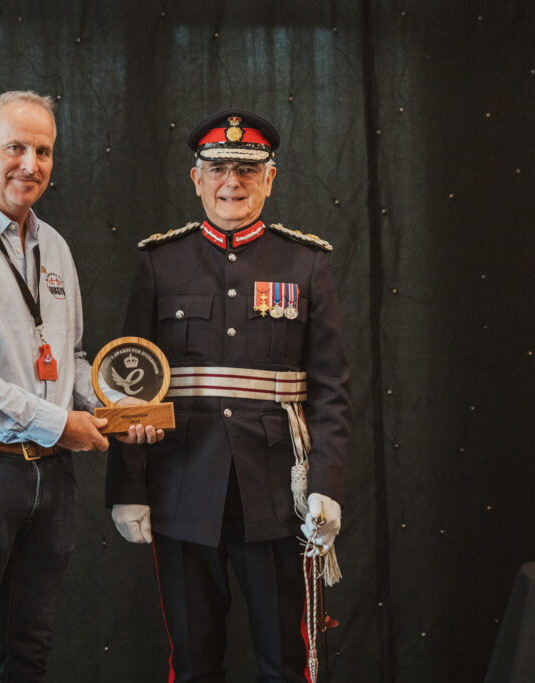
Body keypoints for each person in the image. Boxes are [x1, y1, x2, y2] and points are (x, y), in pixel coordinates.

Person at [0, 90, 160, 683]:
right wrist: (60, 424)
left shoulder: (55, 247)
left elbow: (69, 359)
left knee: (26, 658)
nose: (30, 164)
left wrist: (119, 410)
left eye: (43, 151)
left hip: (50, 476)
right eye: (14, 147)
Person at [106, 109, 353, 682]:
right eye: (217, 168)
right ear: (197, 179)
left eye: (247, 169)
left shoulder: (306, 264)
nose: (231, 182)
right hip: (181, 487)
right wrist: (128, 487)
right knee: (193, 663)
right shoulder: (159, 263)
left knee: (286, 662)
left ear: (270, 179)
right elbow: (128, 383)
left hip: (278, 494)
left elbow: (331, 390)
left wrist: (326, 486)